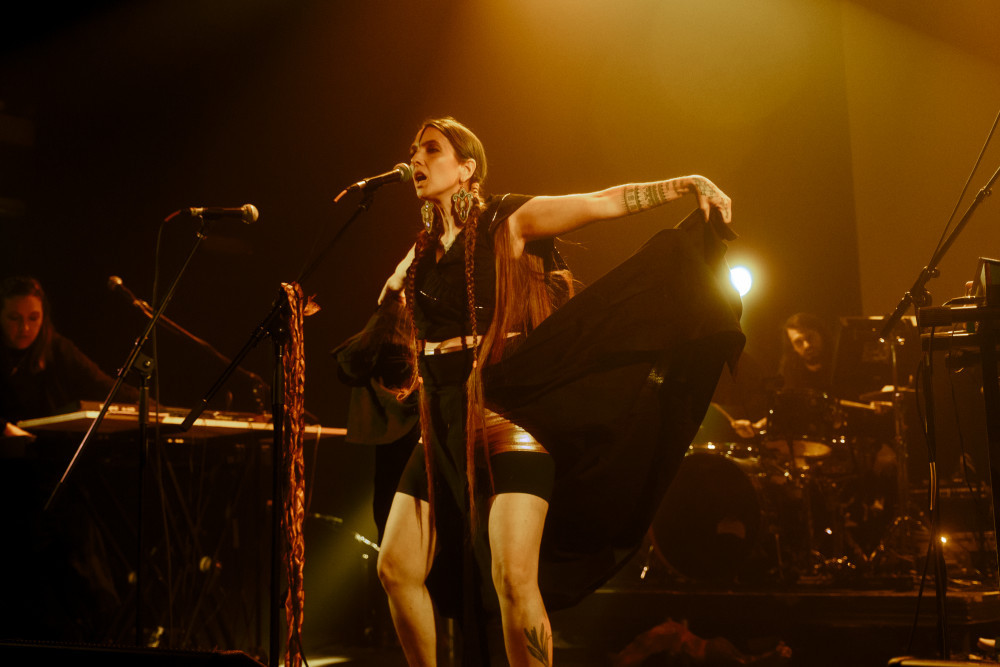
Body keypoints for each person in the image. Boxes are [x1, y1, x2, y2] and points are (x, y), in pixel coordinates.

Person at [373, 117, 743, 666]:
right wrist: (394, 286)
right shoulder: (423, 248)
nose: (417, 160)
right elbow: (389, 301)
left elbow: (600, 201)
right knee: (396, 568)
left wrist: (683, 184)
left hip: (504, 408)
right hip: (441, 415)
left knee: (512, 578)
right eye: (413, 150)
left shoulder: (507, 219)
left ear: (467, 169)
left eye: (432, 149)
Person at [1, 275, 138, 436]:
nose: (24, 328)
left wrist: (149, 405)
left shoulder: (57, 347)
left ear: (44, 316)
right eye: (14, 318)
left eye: (33, 318)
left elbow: (101, 385)